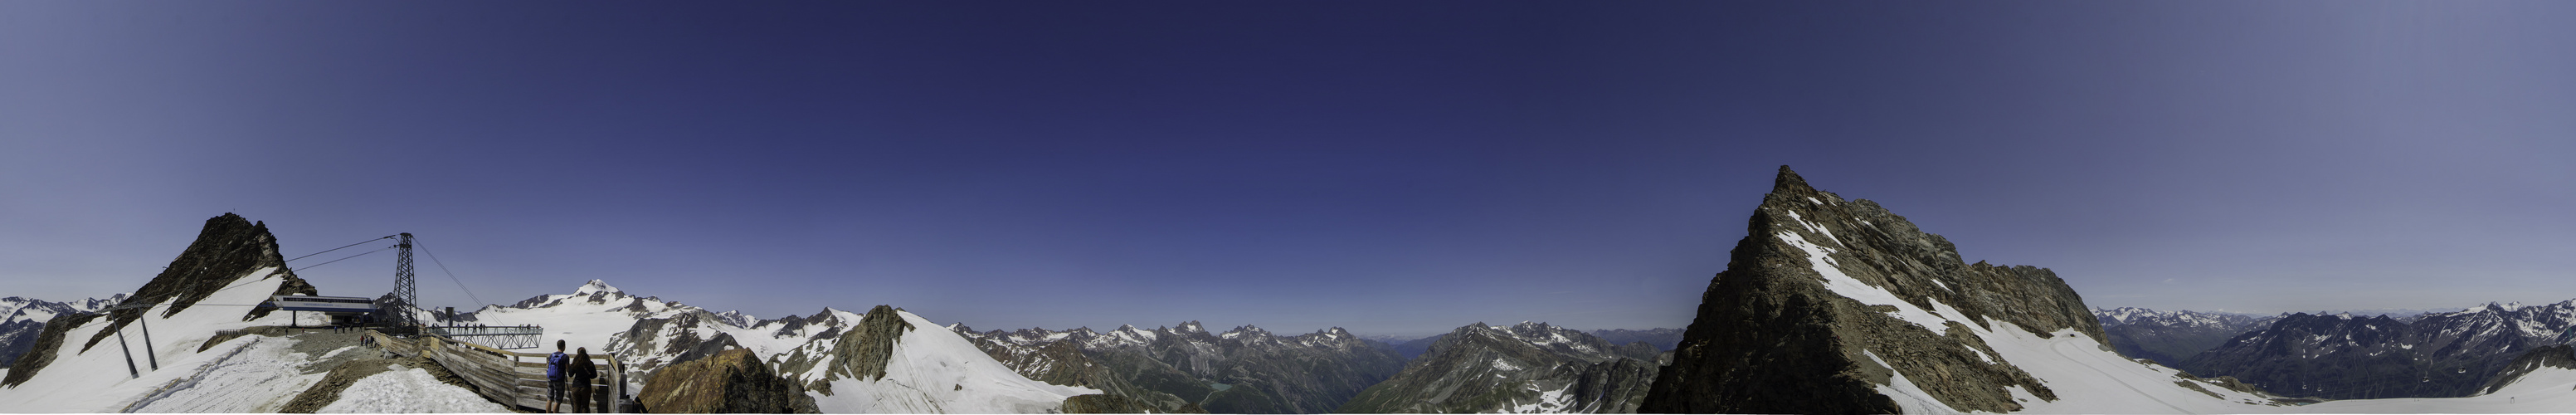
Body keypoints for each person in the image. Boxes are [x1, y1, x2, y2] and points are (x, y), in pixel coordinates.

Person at [570, 348, 599, 413]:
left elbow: (570, 374)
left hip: (576, 386)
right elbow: (594, 375)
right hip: (586, 387)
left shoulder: (575, 363)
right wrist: (588, 375)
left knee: (576, 407)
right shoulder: (590, 363)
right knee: (585, 407)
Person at [546, 340, 567, 413]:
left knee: (549, 399)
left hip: (550, 378)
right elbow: (568, 369)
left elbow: (548, 366)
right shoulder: (565, 357)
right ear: (564, 346)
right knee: (558, 401)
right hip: (559, 380)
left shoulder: (552, 355)